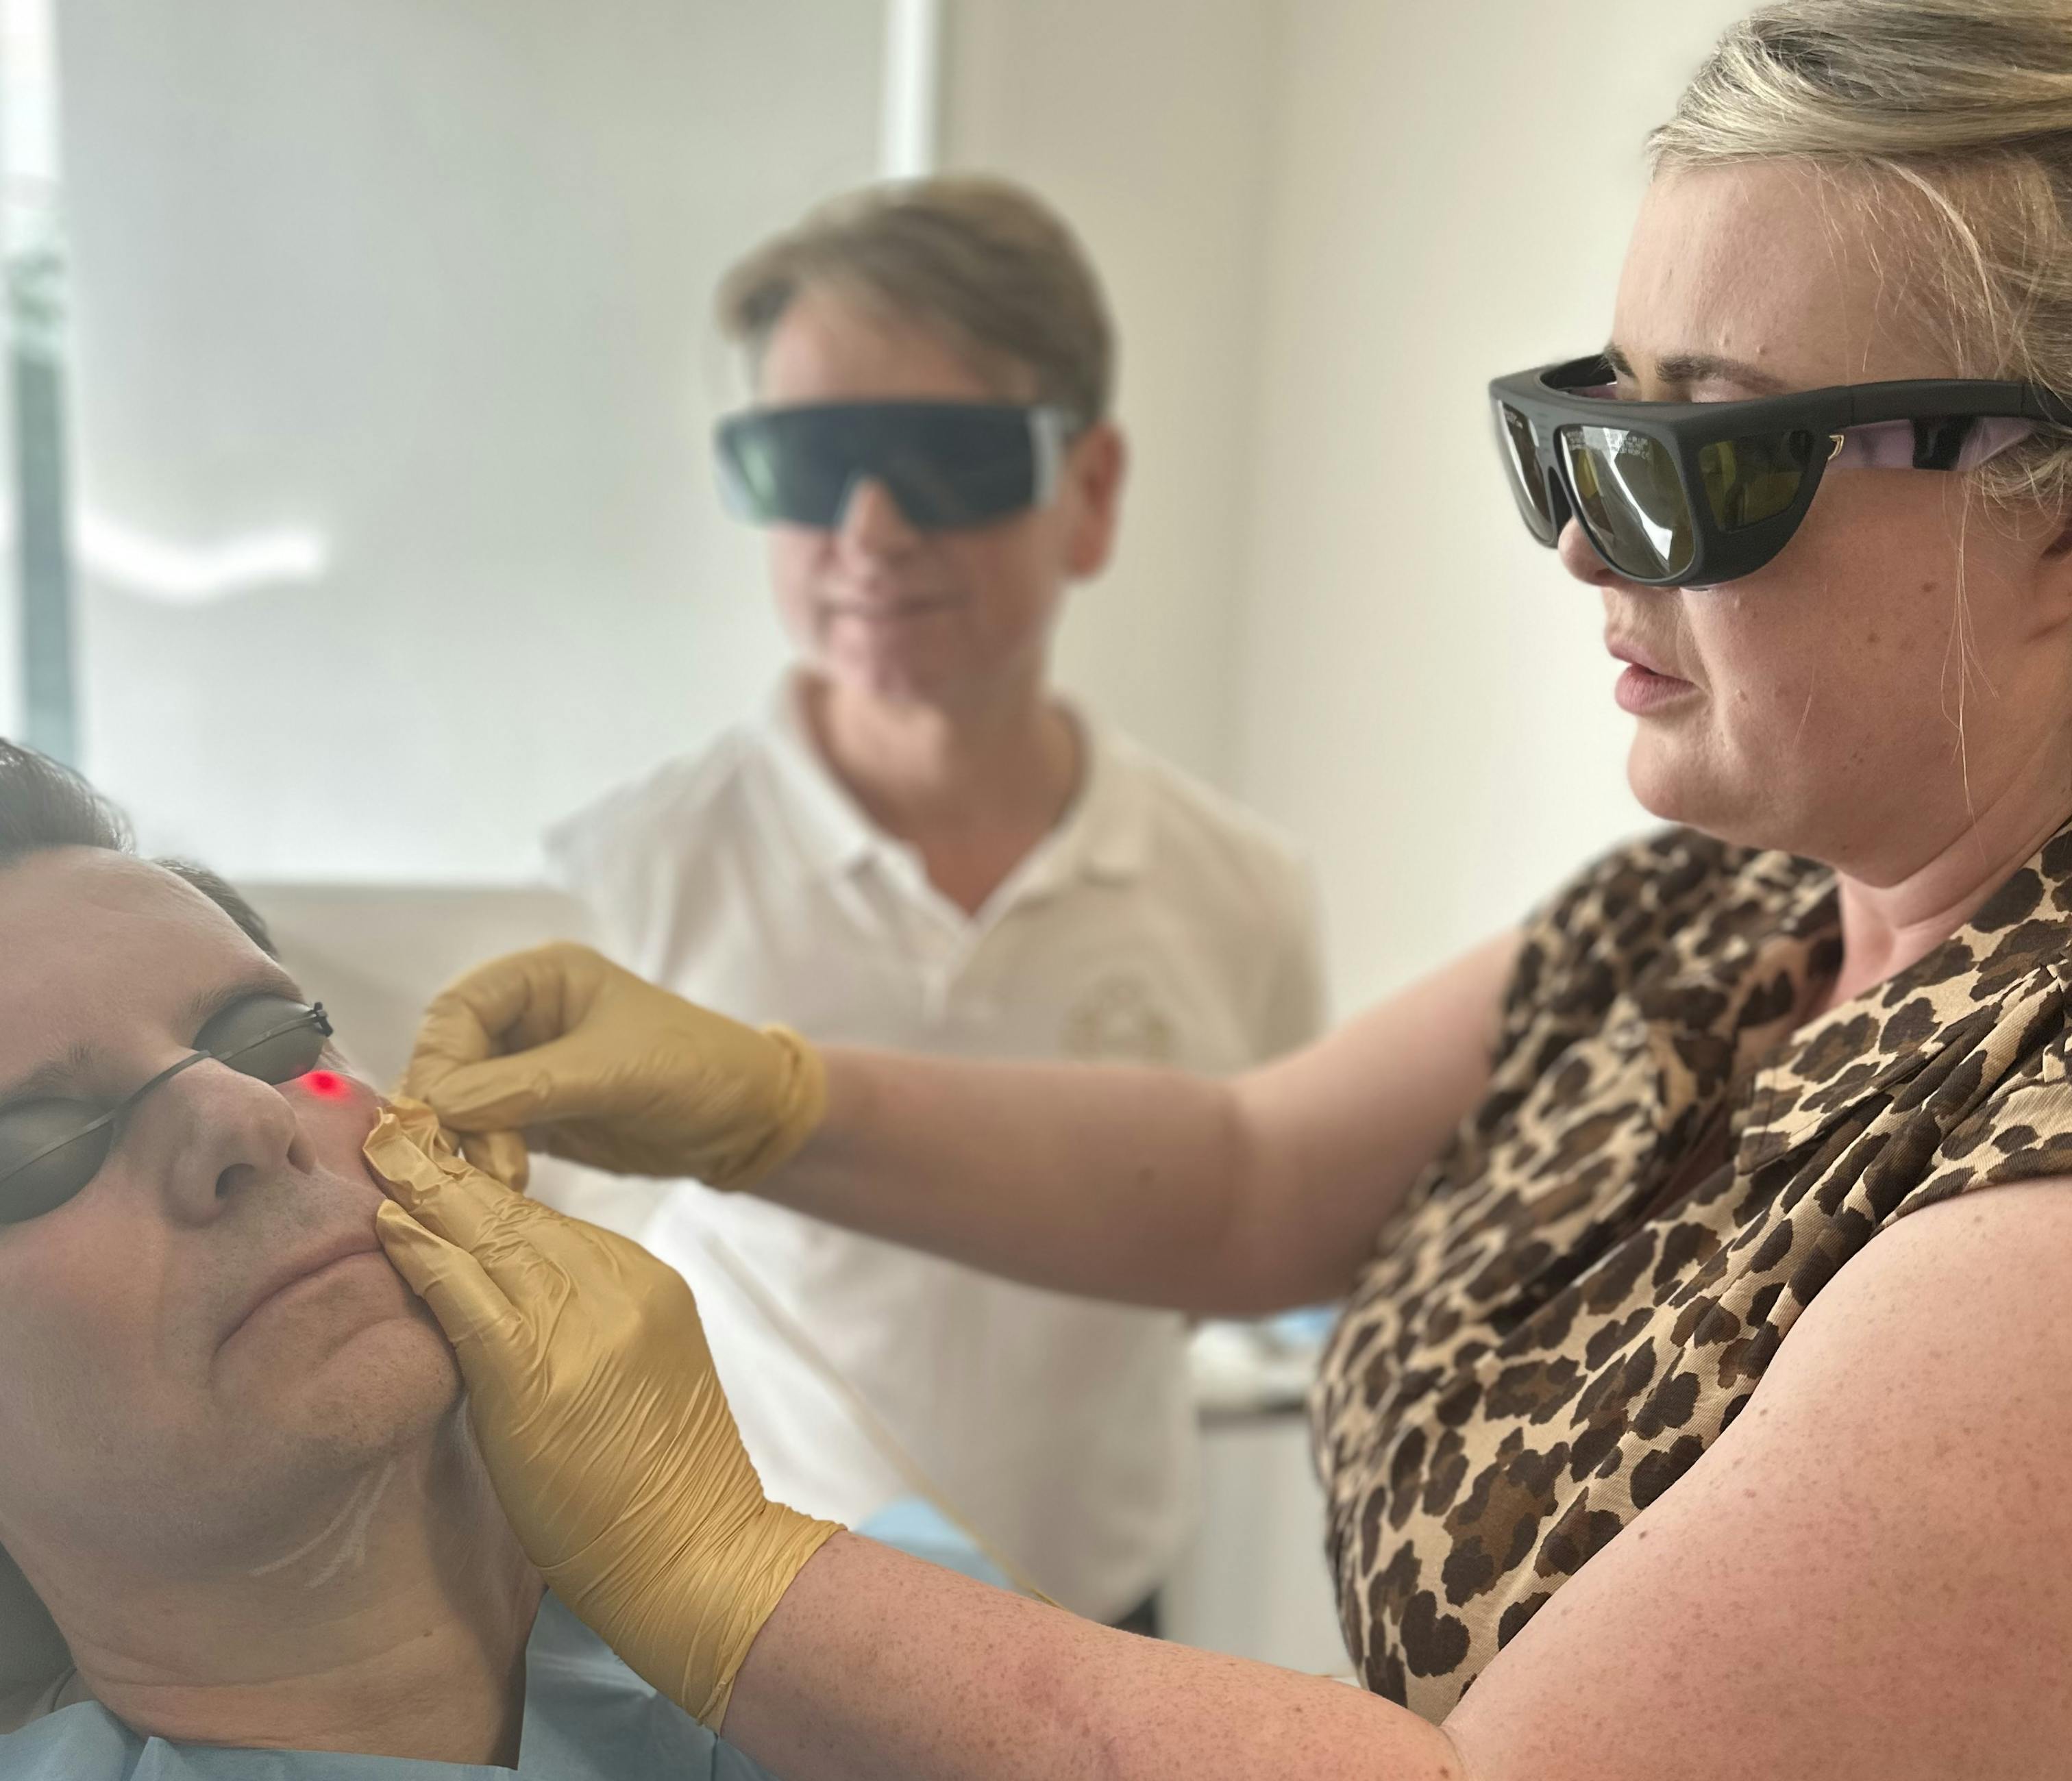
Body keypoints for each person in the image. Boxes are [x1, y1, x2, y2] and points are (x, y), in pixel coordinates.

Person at [399, 2, 2072, 1773]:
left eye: (1706, 460)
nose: (1587, 542)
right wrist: (773, 1106)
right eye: (1589, 426)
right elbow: (1249, 1174)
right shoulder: (1705, 914)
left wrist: (713, 1564)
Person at [539, 175, 1324, 1624]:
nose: (872, 526)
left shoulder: (1241, 896)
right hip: (753, 1632)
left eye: (942, 459)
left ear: (1090, 490)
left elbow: (1244, 1245)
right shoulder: (623, 883)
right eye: (809, 462)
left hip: (1108, 1624)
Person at [0, 742, 781, 1778]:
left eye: (271, 1039)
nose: (244, 1113)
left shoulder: (858, 1632)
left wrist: (747, 1585)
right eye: (36, 1144)